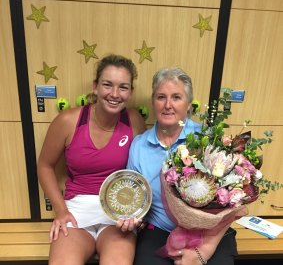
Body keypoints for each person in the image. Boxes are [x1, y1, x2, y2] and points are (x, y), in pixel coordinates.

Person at [37, 54, 147, 265]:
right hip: (75, 212)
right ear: (95, 87)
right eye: (108, 85)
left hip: (118, 215)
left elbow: (140, 174)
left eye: (123, 87)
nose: (115, 94)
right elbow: (44, 165)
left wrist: (135, 213)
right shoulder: (69, 120)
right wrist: (60, 210)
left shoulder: (134, 121)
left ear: (130, 92)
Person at [127, 67, 238, 265]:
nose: (168, 105)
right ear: (153, 101)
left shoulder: (207, 138)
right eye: (161, 97)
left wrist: (205, 250)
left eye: (176, 97)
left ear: (188, 104)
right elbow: (134, 196)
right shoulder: (139, 146)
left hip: (209, 232)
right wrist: (131, 217)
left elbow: (233, 202)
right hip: (159, 231)